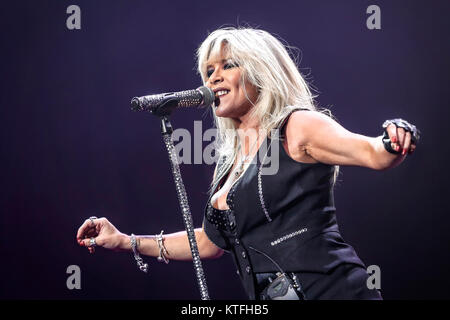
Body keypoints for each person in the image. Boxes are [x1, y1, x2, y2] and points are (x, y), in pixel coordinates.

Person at [76, 27, 420, 300]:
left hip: (331, 291)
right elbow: (210, 243)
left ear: (260, 72)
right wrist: (126, 240)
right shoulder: (227, 159)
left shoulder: (297, 126)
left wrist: (396, 133)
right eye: (209, 71)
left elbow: (374, 153)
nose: (213, 78)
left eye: (228, 65)